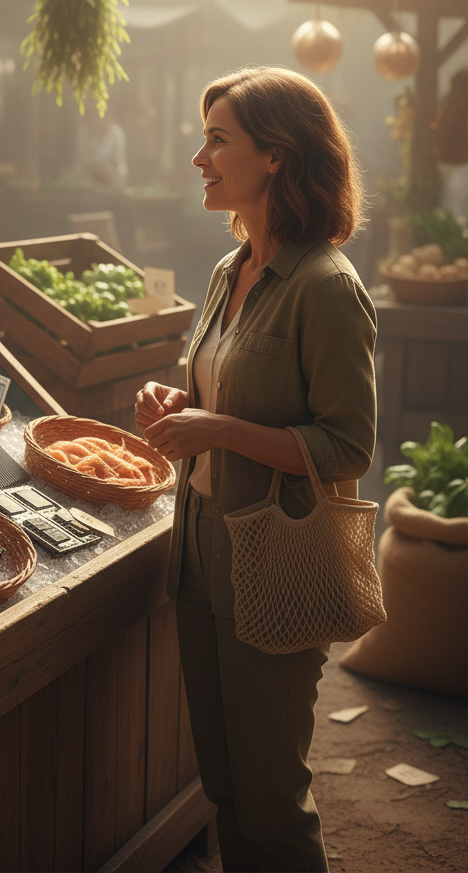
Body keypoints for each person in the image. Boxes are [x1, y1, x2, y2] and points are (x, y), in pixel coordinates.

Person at [134, 66, 376, 872]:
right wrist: (178, 402)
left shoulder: (326, 287)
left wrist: (222, 428)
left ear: (275, 155)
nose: (200, 157)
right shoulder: (225, 271)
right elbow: (216, 388)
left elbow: (348, 447)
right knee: (226, 787)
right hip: (198, 553)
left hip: (272, 558)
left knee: (272, 804)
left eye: (217, 140)